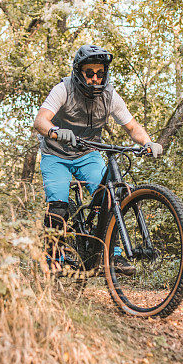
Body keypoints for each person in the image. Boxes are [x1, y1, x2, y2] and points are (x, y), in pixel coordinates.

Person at [33, 44, 163, 274]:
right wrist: (54, 130)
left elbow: (132, 126)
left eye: (100, 73)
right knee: (59, 205)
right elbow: (41, 120)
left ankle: (113, 256)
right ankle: (53, 257)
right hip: (56, 155)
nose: (95, 78)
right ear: (79, 72)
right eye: (90, 73)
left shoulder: (110, 95)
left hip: (88, 153)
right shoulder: (63, 89)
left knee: (109, 197)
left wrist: (148, 142)